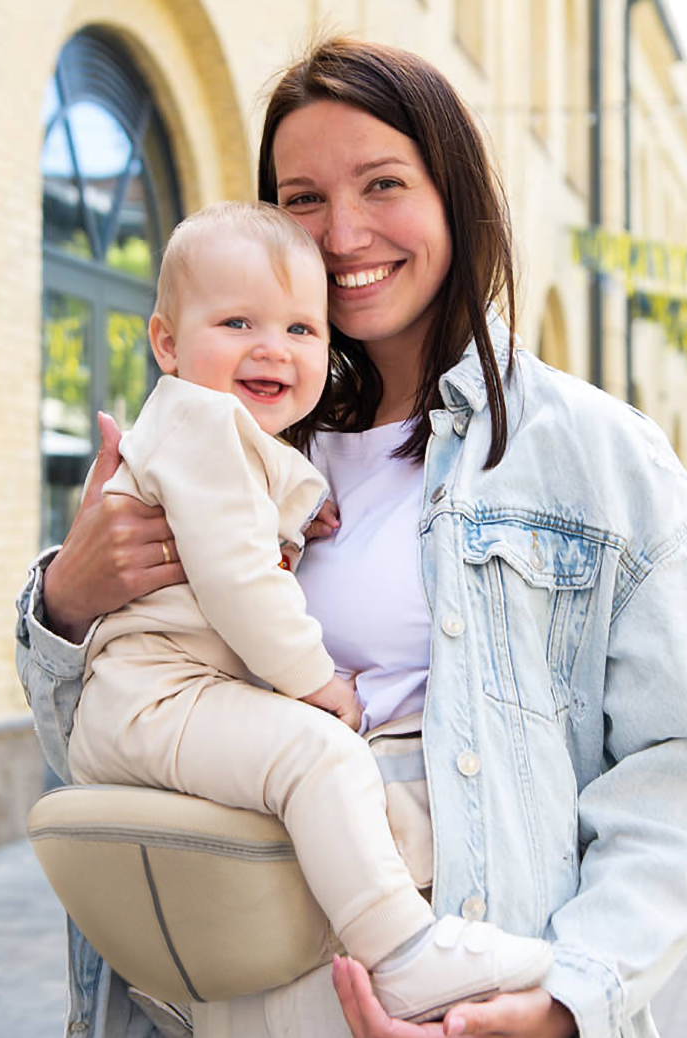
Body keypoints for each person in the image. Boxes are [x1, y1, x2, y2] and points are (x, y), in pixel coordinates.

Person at [16, 37, 687, 1038]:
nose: (341, 234)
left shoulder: (596, 457)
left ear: (454, 195)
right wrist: (68, 601)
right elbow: (102, 738)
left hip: (465, 1008)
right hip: (222, 1005)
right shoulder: (230, 436)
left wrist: (565, 1000)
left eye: (382, 184)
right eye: (301, 199)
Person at [67, 199, 553, 1022]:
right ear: (166, 344)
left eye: (302, 329)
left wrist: (299, 508)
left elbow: (249, 523)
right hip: (154, 698)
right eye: (237, 322)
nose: (273, 347)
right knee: (320, 754)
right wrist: (315, 679)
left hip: (166, 700)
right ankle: (402, 950)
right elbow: (238, 580)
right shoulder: (202, 421)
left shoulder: (238, 439)